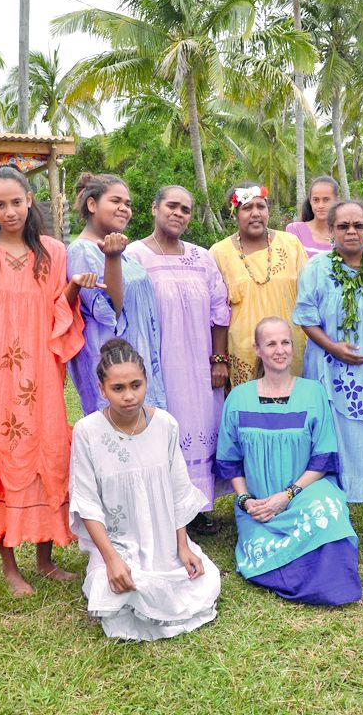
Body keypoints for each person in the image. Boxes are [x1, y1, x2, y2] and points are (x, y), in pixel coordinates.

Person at [0, 166, 93, 596]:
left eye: (17, 202)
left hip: (39, 375)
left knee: (49, 453)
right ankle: (9, 565)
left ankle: (44, 558)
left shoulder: (53, 253)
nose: (10, 211)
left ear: (30, 199)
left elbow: (57, 312)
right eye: (0, 204)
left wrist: (75, 288)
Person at [70, 338, 220, 641]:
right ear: (102, 388)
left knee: (201, 583)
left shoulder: (165, 424)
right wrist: (111, 559)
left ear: (146, 382)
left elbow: (179, 490)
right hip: (118, 544)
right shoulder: (87, 432)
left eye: (136, 385)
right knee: (117, 600)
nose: (129, 396)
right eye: (118, 388)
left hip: (164, 540)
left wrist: (182, 546)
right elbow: (86, 503)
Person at [215, 317, 362, 606]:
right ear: (257, 349)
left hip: (305, 492)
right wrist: (246, 500)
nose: (279, 349)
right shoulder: (238, 398)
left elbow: (322, 458)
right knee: (260, 550)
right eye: (271, 343)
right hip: (260, 503)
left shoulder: (312, 392)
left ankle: (326, 582)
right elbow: (230, 461)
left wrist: (288, 495)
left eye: (285, 342)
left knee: (329, 513)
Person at [293, 200, 363, 561]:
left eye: (358, 225)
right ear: (331, 231)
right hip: (327, 373)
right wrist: (334, 349)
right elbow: (305, 317)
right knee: (328, 449)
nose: (351, 232)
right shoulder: (316, 269)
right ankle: (333, 529)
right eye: (343, 226)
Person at [127, 186, 231, 532]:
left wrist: (219, 359)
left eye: (185, 209)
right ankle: (164, 514)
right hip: (158, 365)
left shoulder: (201, 257)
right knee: (163, 430)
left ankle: (197, 510)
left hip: (200, 365)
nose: (178, 213)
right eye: (172, 206)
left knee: (200, 427)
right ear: (155, 207)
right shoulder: (134, 255)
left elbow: (219, 310)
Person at [67, 172, 167, 415]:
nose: (124, 208)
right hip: (113, 370)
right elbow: (111, 311)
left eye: (128, 204)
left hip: (139, 362)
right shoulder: (82, 251)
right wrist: (111, 258)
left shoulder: (122, 253)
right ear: (92, 204)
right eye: (116, 201)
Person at [210, 182, 309, 386]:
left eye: (261, 206)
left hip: (290, 349)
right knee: (252, 411)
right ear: (234, 214)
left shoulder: (291, 244)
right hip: (244, 352)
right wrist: (219, 359)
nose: (255, 213)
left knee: (292, 411)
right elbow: (215, 311)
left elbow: (310, 296)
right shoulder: (218, 253)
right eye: (247, 208)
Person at [285, 176, 339, 258]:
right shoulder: (295, 230)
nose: (320, 205)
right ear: (310, 201)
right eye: (316, 200)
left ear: (336, 200)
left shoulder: (345, 233)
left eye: (326, 200)